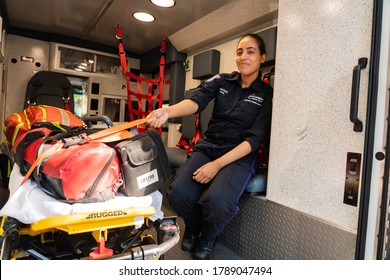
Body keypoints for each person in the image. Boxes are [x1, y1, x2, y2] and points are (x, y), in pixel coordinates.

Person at [147, 33, 273, 260]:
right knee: (177, 193)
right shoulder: (222, 81)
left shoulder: (266, 95)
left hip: (240, 154)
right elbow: (196, 101)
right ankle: (194, 229)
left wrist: (216, 165)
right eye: (240, 52)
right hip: (209, 147)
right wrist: (167, 111)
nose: (244, 57)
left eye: (251, 52)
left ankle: (209, 237)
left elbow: (254, 141)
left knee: (217, 202)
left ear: (262, 58)